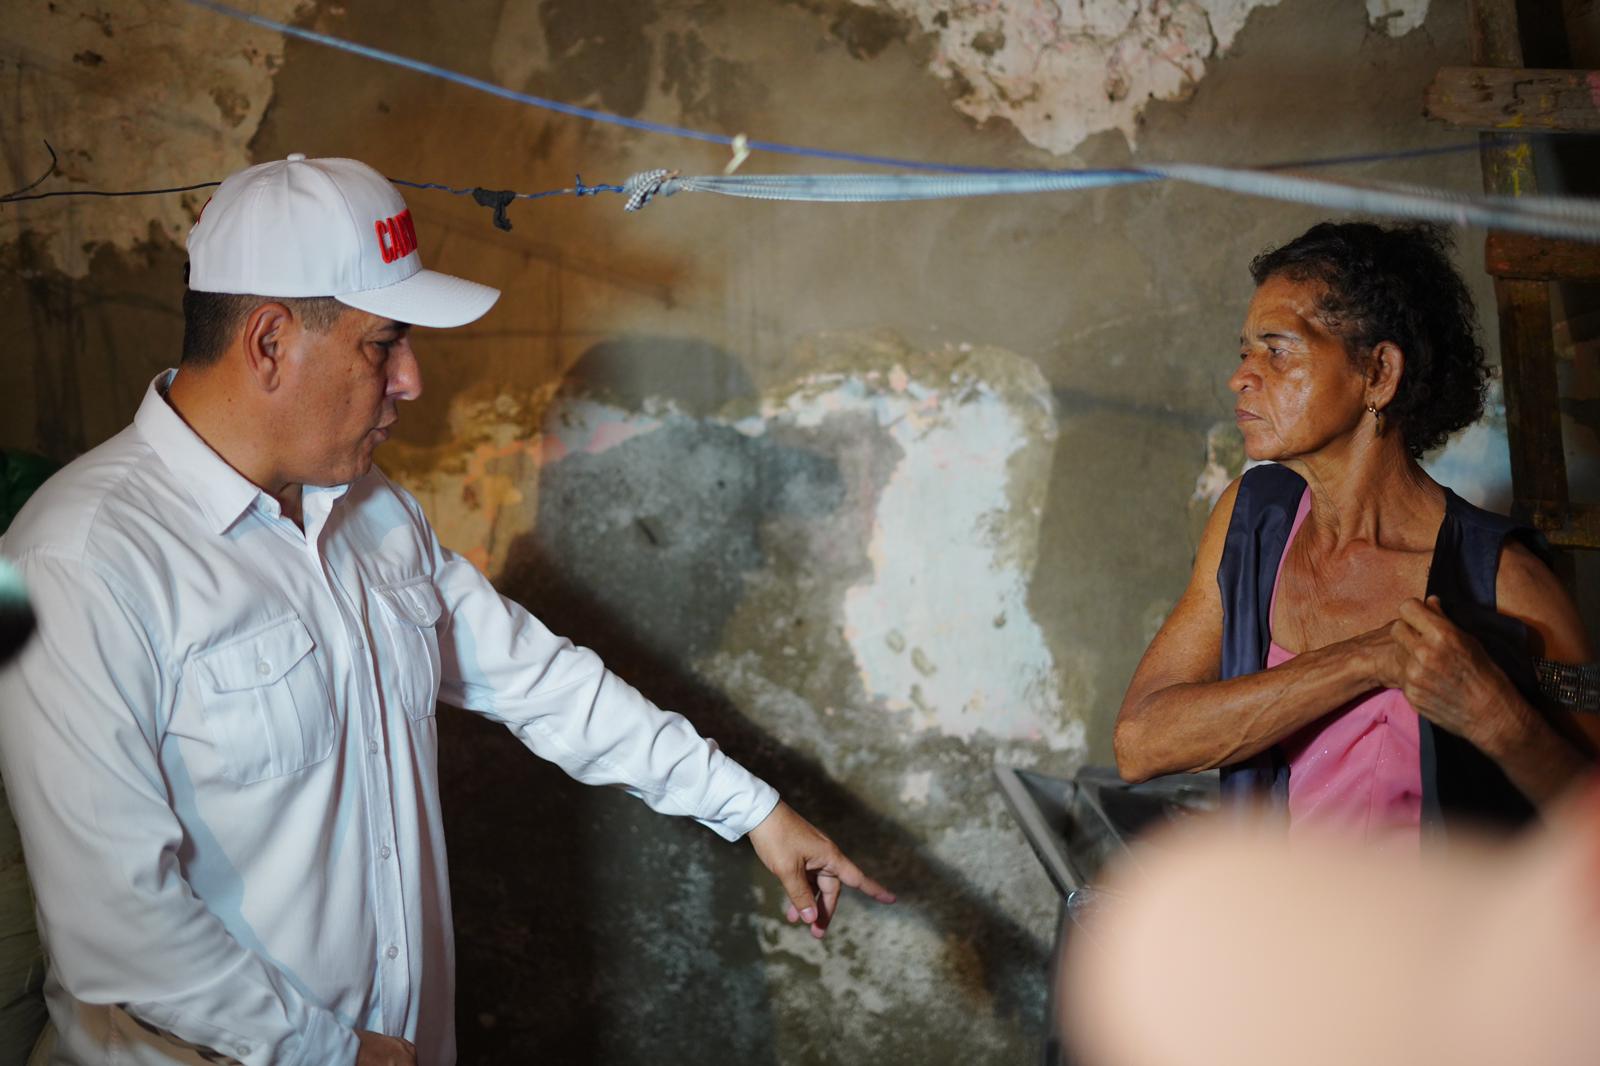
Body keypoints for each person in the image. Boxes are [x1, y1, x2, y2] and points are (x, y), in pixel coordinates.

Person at [0, 155, 893, 1066]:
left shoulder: (371, 511)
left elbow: (541, 682)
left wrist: (752, 810)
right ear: (269, 342)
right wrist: (332, 1054)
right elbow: (117, 926)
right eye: (382, 344)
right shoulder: (75, 561)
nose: (412, 380)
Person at [1114, 221, 1599, 840]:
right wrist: (1368, 659)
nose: (1241, 377)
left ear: (1378, 373)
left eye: (1277, 350)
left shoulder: (1500, 581)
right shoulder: (1253, 521)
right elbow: (1141, 742)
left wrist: (1501, 721)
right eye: (1245, 352)